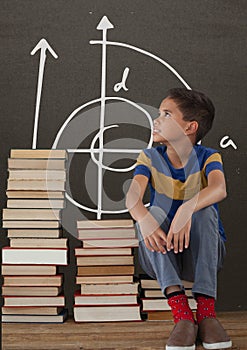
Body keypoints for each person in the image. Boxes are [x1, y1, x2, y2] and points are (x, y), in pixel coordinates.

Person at [126, 88, 232, 350]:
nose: (157, 119)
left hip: (203, 256)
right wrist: (145, 218)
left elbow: (219, 189)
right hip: (163, 256)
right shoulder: (149, 158)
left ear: (189, 127)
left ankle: (206, 313)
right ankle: (183, 315)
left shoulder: (208, 156)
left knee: (205, 209)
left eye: (166, 114)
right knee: (147, 214)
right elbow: (132, 198)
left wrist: (186, 209)